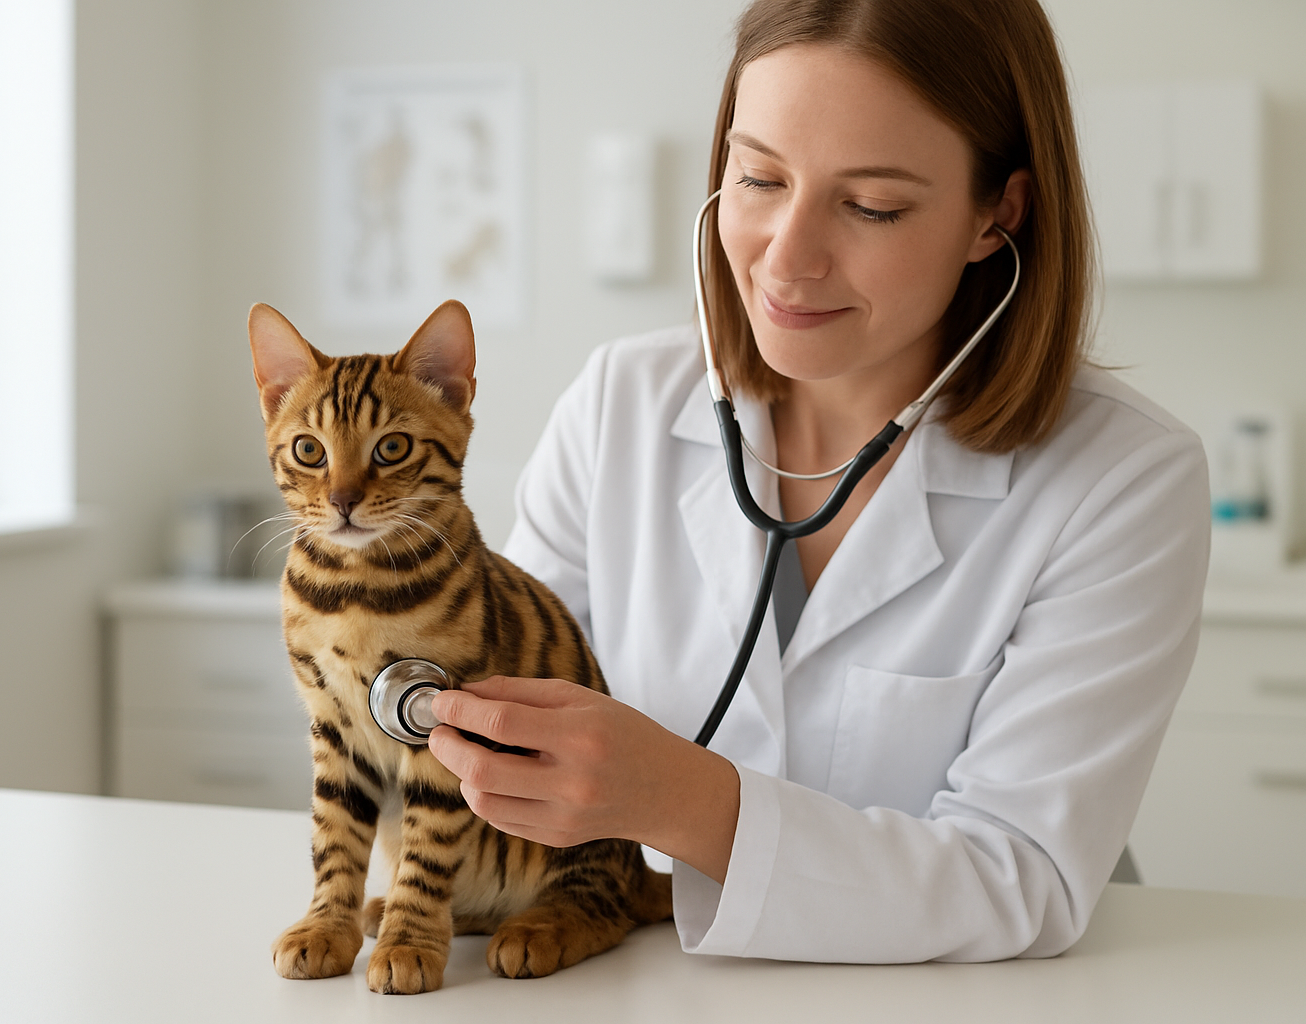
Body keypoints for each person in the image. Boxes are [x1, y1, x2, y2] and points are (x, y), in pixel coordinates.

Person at [427, 0, 1210, 963]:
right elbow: (496, 694)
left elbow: (1021, 880)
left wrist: (676, 797)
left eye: (871, 205)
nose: (785, 258)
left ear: (996, 213)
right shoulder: (618, 405)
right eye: (758, 176)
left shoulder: (1123, 479)